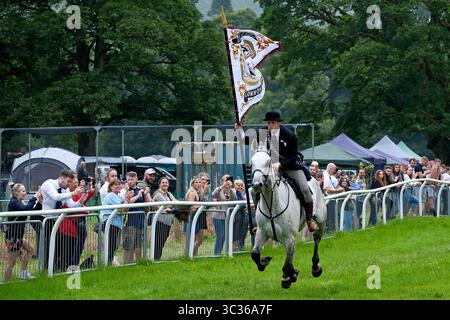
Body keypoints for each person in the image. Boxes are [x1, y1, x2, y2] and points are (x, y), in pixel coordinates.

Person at [236, 111, 317, 232]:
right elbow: (245, 141)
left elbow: (293, 157)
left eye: (272, 123)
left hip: (290, 167)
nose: (270, 125)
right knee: (253, 191)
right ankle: (259, 219)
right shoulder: (264, 133)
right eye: (268, 123)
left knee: (305, 189)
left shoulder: (289, 135)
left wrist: (280, 164)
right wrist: (239, 130)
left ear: (278, 123)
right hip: (271, 170)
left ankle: (310, 219)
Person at [40, 169, 87, 270]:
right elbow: (56, 197)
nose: (69, 184)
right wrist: (74, 193)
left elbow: (71, 205)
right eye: (68, 181)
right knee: (48, 246)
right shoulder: (49, 184)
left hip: (57, 221)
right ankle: (46, 270)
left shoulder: (64, 189)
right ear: (61, 178)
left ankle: (54, 269)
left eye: (71, 182)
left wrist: (81, 200)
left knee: (57, 247)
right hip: (46, 220)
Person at [4, 183, 42, 281]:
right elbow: (26, 209)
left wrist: (39, 200)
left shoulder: (20, 202)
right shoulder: (13, 202)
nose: (25, 193)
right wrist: (34, 197)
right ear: (16, 192)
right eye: (23, 191)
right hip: (13, 237)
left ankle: (23, 273)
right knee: (11, 263)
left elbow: (32, 209)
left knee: (31, 249)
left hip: (18, 236)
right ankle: (5, 283)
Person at [59, 175, 96, 269]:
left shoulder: (76, 192)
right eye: (75, 183)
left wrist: (89, 189)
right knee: (71, 248)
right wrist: (85, 210)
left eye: (77, 183)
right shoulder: (68, 194)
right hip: (70, 224)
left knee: (78, 247)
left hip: (78, 223)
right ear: (68, 183)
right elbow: (75, 207)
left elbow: (82, 201)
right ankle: (69, 267)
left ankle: (73, 266)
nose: (76, 185)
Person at [99, 178, 133, 264]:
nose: (118, 186)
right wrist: (126, 199)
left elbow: (126, 208)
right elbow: (121, 209)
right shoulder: (110, 196)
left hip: (116, 224)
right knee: (111, 244)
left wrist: (127, 199)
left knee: (114, 245)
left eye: (119, 184)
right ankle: (107, 263)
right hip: (110, 223)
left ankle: (109, 262)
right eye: (115, 184)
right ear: (110, 187)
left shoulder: (118, 197)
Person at [123, 171, 152, 264]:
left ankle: (138, 262)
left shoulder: (141, 190)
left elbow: (149, 203)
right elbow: (125, 202)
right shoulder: (125, 191)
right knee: (128, 244)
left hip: (140, 220)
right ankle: (127, 263)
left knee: (138, 243)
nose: (130, 181)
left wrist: (146, 191)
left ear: (136, 180)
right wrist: (136, 195)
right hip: (129, 221)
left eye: (132, 179)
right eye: (128, 179)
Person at [152, 177, 178, 260]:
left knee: (162, 241)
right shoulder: (158, 194)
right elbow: (167, 205)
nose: (165, 184)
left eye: (166, 182)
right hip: (160, 221)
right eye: (163, 182)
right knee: (158, 241)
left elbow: (176, 203)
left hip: (167, 221)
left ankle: (157, 258)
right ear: (159, 184)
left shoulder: (169, 194)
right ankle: (155, 258)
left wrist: (174, 207)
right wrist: (173, 207)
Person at [212, 175, 236, 255]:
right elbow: (213, 194)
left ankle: (224, 253)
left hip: (227, 217)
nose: (227, 182)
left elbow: (234, 200)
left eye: (229, 180)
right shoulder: (218, 190)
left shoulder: (232, 191)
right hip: (218, 216)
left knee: (225, 236)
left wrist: (230, 188)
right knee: (220, 236)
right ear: (222, 181)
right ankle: (217, 254)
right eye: (226, 180)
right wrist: (223, 186)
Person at [184, 176, 205, 256]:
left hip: (196, 216)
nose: (198, 184)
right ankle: (188, 255)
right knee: (197, 239)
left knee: (197, 239)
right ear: (192, 183)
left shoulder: (197, 192)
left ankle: (194, 257)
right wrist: (201, 206)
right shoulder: (192, 193)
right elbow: (191, 205)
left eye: (200, 182)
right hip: (191, 217)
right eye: (196, 182)